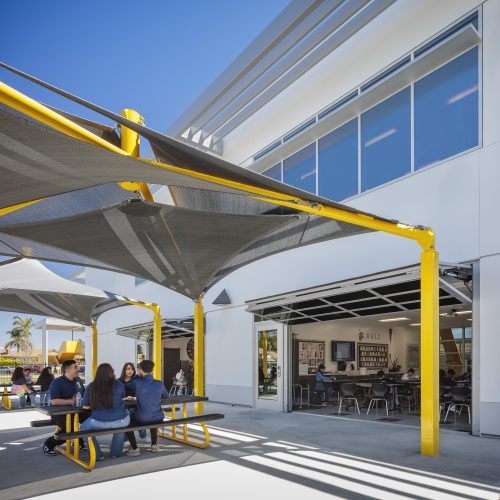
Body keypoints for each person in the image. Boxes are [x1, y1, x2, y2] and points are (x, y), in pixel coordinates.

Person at [79, 363, 130, 461]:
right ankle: (116, 453)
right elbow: (122, 398)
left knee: (83, 428)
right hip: (121, 421)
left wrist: (95, 403)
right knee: (120, 426)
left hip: (99, 422)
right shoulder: (119, 384)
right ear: (111, 373)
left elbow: (84, 405)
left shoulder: (91, 386)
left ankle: (97, 455)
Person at [42, 359, 86, 457]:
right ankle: (49, 444)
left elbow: (82, 393)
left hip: (77, 411)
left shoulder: (78, 380)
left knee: (90, 421)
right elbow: (54, 401)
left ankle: (78, 441)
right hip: (60, 414)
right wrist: (70, 401)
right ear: (67, 371)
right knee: (69, 430)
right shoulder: (57, 383)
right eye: (75, 367)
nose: (78, 369)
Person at [125, 359, 167, 455]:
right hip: (159, 417)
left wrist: (137, 375)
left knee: (127, 421)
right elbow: (166, 396)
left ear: (140, 370)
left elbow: (127, 385)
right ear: (152, 370)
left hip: (142, 419)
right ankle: (154, 445)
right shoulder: (159, 383)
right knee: (152, 413)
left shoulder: (137, 382)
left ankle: (135, 449)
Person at [119, 362, 147, 440]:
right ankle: (126, 439)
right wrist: (124, 399)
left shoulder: (137, 380)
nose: (130, 371)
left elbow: (143, 394)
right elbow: (115, 396)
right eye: (128, 369)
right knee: (126, 417)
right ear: (124, 370)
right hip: (123, 407)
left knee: (140, 414)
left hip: (136, 405)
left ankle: (143, 434)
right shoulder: (118, 381)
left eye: (132, 369)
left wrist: (134, 398)